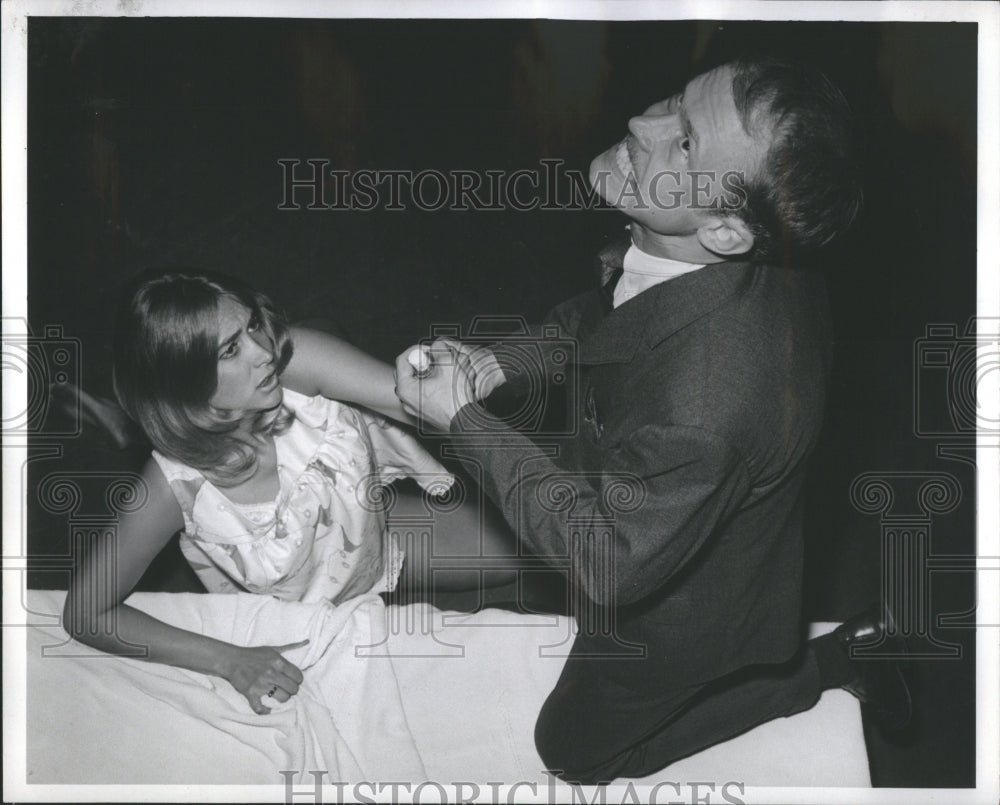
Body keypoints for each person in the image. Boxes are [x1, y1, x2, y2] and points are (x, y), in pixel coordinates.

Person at [394, 55, 911, 783]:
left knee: (570, 752)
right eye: (674, 101)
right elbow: (608, 315)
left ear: (728, 232)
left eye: (687, 141)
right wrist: (503, 363)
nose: (641, 123)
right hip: (664, 498)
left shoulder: (710, 400)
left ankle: (840, 657)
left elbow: (607, 560)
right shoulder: (695, 245)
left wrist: (464, 422)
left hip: (683, 614)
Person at [63, 271, 514, 715]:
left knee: (527, 548)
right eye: (231, 350)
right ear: (185, 381)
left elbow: (432, 407)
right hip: (301, 612)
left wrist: (475, 374)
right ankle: (123, 422)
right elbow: (85, 613)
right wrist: (230, 661)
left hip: (373, 529)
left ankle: (329, 342)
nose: (264, 353)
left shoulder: (288, 360)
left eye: (253, 326)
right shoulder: (167, 489)